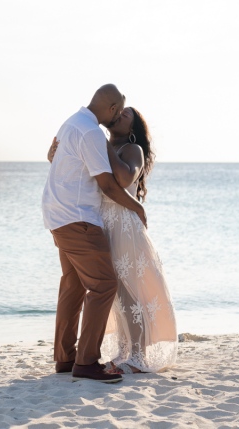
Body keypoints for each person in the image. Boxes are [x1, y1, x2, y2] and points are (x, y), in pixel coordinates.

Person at [48, 106, 177, 374]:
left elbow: (123, 178)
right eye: (117, 113)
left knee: (129, 292)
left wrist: (100, 143)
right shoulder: (99, 145)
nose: (118, 116)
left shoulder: (132, 150)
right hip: (101, 221)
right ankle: (124, 350)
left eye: (125, 116)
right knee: (115, 293)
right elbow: (81, 175)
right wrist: (55, 157)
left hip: (122, 226)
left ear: (133, 129)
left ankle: (139, 357)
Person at [41, 84, 147, 383]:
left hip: (58, 214)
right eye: (119, 110)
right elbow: (109, 185)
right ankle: (86, 362)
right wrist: (136, 207)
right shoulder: (91, 133)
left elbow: (67, 165)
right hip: (78, 218)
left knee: (73, 286)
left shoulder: (73, 122)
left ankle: (65, 358)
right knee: (103, 286)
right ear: (112, 109)